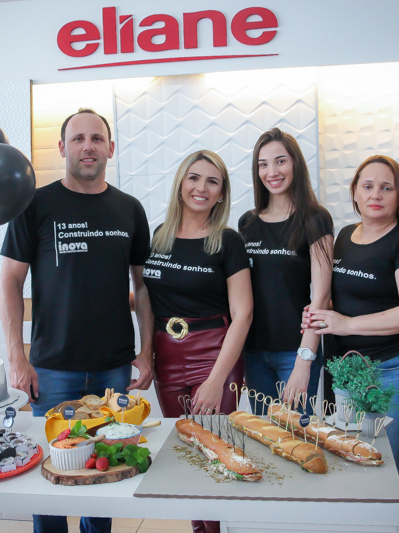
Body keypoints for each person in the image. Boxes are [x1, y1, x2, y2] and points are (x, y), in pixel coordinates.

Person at [0, 108, 154, 533]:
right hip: (52, 369)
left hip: (113, 370)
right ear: (63, 147)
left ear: (111, 148)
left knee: (103, 471)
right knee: (50, 475)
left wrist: (147, 353)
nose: (89, 147)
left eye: (97, 139)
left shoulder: (129, 209)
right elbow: (11, 281)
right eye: (79, 138)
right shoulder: (34, 204)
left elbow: (142, 289)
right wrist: (16, 357)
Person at [302, 155, 399, 533]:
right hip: (349, 372)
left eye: (386, 188)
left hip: (397, 368)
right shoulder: (345, 236)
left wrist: (347, 323)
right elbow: (339, 297)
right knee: (357, 462)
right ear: (355, 193)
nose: (376, 194)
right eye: (368, 186)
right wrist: (319, 313)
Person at [142, 150, 252, 533]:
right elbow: (149, 300)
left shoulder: (228, 241)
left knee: (216, 453)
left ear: (221, 193)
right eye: (194, 177)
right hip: (167, 356)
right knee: (187, 451)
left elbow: (243, 314)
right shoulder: (159, 236)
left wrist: (216, 380)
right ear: (180, 184)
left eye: (212, 181)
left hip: (214, 355)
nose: (201, 187)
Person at [238, 128, 333, 414]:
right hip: (254, 352)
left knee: (297, 437)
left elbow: (321, 297)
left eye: (280, 161)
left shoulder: (315, 219)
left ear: (295, 164)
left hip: (295, 351)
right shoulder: (247, 223)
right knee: (263, 434)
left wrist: (304, 360)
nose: (272, 172)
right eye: (263, 164)